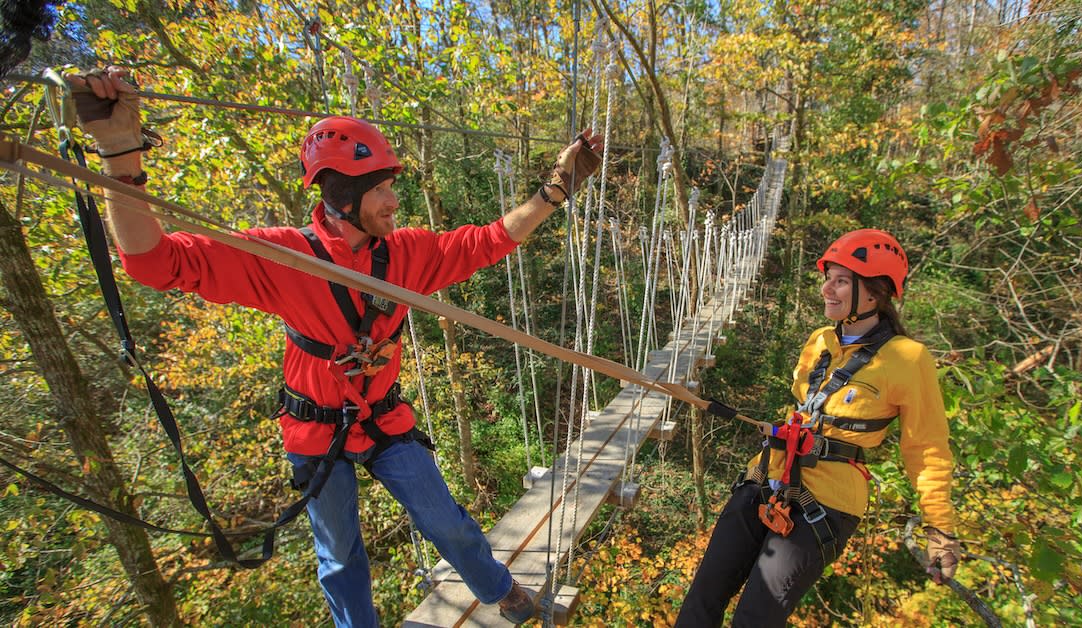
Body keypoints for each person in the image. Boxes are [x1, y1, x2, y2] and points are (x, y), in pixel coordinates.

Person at [67, 66, 603, 627]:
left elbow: (489, 241)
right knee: (340, 556)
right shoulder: (282, 257)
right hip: (315, 429)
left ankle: (499, 588)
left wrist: (556, 189)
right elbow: (154, 263)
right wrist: (120, 151)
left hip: (382, 418)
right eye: (381, 189)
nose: (394, 201)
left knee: (444, 518)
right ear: (343, 196)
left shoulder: (405, 253)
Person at [676, 229, 961, 627]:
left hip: (825, 504)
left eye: (841, 280)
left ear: (875, 293)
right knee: (699, 604)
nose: (827, 288)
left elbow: (927, 450)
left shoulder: (908, 359)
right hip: (766, 479)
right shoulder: (819, 341)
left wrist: (940, 530)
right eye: (829, 277)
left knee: (753, 621)